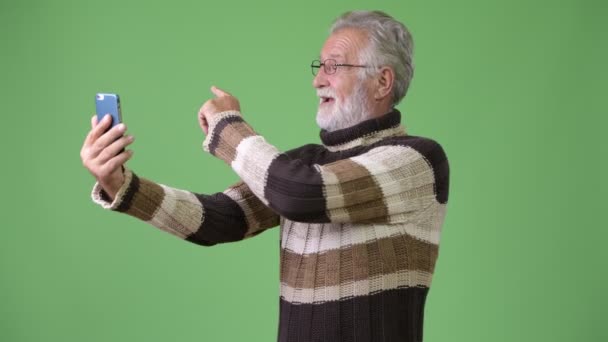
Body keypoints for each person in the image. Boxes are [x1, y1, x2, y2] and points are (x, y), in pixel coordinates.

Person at [81, 10, 449, 342]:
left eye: (334, 66)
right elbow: (218, 219)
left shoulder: (416, 160)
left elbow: (300, 194)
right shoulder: (306, 163)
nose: (317, 80)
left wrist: (229, 128)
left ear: (383, 82)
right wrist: (119, 184)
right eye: (318, 66)